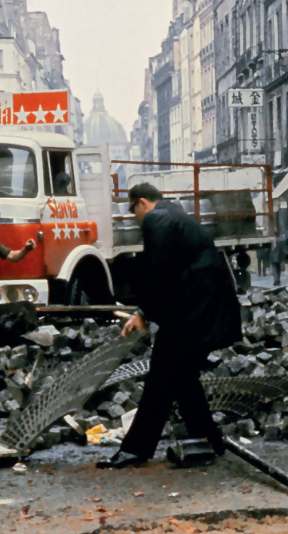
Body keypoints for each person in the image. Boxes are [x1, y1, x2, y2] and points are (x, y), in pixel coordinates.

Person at [97, 183, 241, 470]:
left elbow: (157, 269)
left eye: (133, 211)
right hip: (205, 310)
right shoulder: (176, 213)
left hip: (191, 314)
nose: (136, 218)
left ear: (141, 203)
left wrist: (143, 312)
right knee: (184, 379)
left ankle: (135, 450)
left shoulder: (156, 219)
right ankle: (209, 439)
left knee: (161, 378)